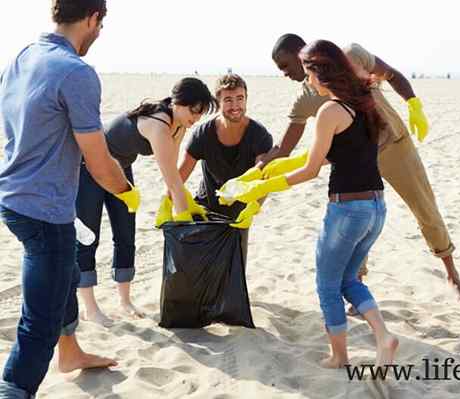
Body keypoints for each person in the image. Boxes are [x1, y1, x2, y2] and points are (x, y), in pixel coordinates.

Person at [222, 39, 398, 368]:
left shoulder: (329, 111)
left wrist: (261, 188)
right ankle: (384, 337)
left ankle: (339, 356)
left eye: (307, 74)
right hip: (376, 207)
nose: (306, 81)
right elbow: (358, 147)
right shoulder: (362, 104)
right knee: (349, 280)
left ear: (320, 72)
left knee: (327, 283)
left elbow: (310, 169)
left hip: (347, 210)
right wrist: (267, 169)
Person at [268, 34, 460, 307]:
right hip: (357, 158)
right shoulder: (306, 97)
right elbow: (285, 146)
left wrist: (413, 103)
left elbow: (391, 75)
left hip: (395, 145)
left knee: (425, 209)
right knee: (356, 219)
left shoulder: (352, 55)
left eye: (285, 66)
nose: (284, 74)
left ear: (301, 54)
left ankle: (452, 275)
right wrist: (259, 168)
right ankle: (358, 287)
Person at [0, 1, 140, 396]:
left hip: (12, 197)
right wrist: (127, 192)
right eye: (100, 25)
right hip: (43, 211)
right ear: (94, 19)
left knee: (64, 277)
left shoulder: (24, 55)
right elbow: (99, 162)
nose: (99, 33)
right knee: (39, 320)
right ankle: (14, 388)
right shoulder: (77, 72)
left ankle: (71, 352)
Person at [76, 77, 217, 325]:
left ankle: (125, 301)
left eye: (201, 113)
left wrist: (178, 201)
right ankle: (90, 307)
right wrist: (184, 222)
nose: (196, 118)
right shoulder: (158, 126)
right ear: (178, 102)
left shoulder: (179, 125)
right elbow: (172, 180)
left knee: (125, 234)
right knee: (89, 236)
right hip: (89, 167)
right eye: (193, 111)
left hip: (120, 169)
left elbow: (171, 173)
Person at [174, 74, 273, 257]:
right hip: (206, 212)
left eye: (240, 98)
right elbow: (179, 177)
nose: (235, 106)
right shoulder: (203, 134)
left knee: (234, 276)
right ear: (218, 102)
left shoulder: (259, 135)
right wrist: (169, 202)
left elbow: (264, 179)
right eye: (228, 100)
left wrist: (253, 208)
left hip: (240, 217)